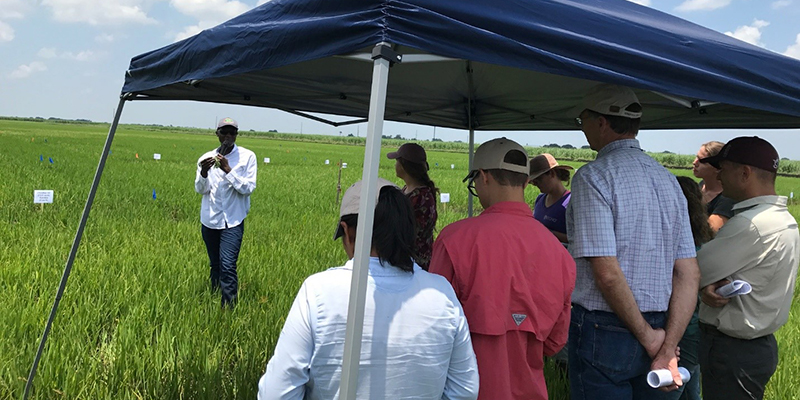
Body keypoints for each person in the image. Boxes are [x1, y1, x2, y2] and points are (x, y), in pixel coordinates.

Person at [258, 178, 479, 400]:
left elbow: (275, 394)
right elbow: (465, 391)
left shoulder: (318, 292)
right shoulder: (442, 294)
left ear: (348, 233)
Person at [567, 84, 700, 399]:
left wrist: (649, 338)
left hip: (607, 327)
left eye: (582, 120)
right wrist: (666, 345)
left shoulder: (593, 176)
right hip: (665, 324)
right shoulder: (668, 180)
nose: (582, 128)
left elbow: (608, 272)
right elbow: (689, 272)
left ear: (601, 122)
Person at [429, 137, 576, 400]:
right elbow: (554, 343)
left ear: (483, 177)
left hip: (464, 391)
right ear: (526, 181)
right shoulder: (559, 253)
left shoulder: (454, 240)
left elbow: (433, 328)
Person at [696, 136, 800, 400]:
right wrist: (707, 288)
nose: (719, 175)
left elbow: (694, 270)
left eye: (724, 168)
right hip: (756, 347)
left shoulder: (752, 224)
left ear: (744, 173)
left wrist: (701, 286)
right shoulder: (783, 219)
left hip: (732, 350)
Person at [195, 117, 257, 307]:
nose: (228, 136)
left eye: (232, 133)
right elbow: (201, 189)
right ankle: (214, 294)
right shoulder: (205, 158)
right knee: (215, 264)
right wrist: (204, 173)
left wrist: (228, 170)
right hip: (210, 220)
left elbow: (248, 188)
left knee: (228, 264)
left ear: (236, 135)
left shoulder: (247, 157)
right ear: (217, 134)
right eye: (224, 132)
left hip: (233, 220)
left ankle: (228, 307)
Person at [668, 176, 715, 400]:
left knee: (673, 385)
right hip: (698, 326)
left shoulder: (673, 240)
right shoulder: (706, 241)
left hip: (677, 325)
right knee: (691, 383)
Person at [387, 143, 438, 270]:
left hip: (415, 264)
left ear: (404, 166)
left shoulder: (422, 197)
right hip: (405, 259)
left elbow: (410, 233)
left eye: (397, 161)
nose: (395, 165)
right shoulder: (408, 190)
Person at [529, 153, 573, 243]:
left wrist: (546, 232)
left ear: (552, 174)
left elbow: (576, 239)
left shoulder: (570, 202)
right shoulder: (540, 199)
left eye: (538, 180)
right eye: (533, 182)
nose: (536, 184)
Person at [692, 141, 735, 232]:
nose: (694, 162)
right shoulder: (700, 186)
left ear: (717, 167)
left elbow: (710, 231)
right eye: (696, 157)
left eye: (702, 161)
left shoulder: (727, 198)